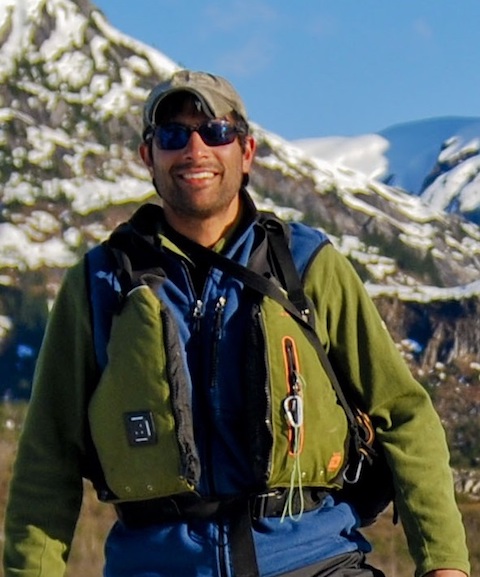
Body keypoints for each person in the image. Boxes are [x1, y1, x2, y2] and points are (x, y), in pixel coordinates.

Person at [3, 69, 470, 577]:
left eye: (216, 132)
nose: (195, 149)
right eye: (173, 135)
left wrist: (444, 563)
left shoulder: (307, 265)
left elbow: (402, 413)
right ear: (148, 157)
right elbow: (49, 457)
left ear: (245, 152)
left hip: (314, 561)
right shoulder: (98, 284)